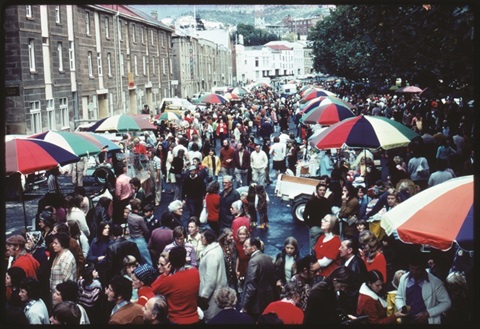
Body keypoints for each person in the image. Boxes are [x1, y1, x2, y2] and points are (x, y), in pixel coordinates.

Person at [395, 251, 452, 324]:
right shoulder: (403, 279)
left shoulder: (436, 282)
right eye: (412, 268)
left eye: (417, 269)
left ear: (423, 268)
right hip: (407, 320)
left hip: (427, 321)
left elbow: (447, 303)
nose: (414, 272)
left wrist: (428, 313)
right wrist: (402, 308)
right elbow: (399, 297)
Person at [151, 246, 202, 324]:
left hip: (177, 320)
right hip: (195, 319)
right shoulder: (195, 272)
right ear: (185, 259)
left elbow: (153, 289)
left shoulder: (170, 280)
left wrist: (165, 274)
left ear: (170, 263)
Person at [240, 237, 275, 321]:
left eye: (245, 246)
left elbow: (251, 287)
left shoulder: (253, 262)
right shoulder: (267, 257)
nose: (243, 248)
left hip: (255, 304)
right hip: (267, 299)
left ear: (253, 248)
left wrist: (245, 306)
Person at [198, 228, 228, 321]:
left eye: (202, 237)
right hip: (218, 291)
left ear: (208, 238)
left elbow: (211, 280)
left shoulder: (211, 255)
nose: (201, 239)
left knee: (211, 319)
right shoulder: (216, 248)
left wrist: (203, 297)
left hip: (211, 296)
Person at [339, 238, 368, 313]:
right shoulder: (345, 261)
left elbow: (356, 287)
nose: (339, 249)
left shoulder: (357, 264)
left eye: (342, 247)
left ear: (349, 250)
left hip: (352, 304)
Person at [310, 214, 341, 283]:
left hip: (327, 278)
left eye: (325, 221)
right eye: (322, 219)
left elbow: (324, 262)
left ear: (332, 225)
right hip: (318, 274)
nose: (322, 221)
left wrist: (309, 270)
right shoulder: (321, 238)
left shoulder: (336, 241)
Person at [49, 232, 77, 305]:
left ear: (63, 244)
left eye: (56, 243)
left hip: (62, 299)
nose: (53, 245)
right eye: (53, 243)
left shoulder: (66, 258)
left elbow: (68, 282)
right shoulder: (59, 254)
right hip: (56, 295)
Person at [303, 182, 332, 251]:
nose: (322, 192)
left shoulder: (327, 202)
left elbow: (329, 214)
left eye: (324, 190)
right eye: (320, 190)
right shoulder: (311, 201)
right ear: (317, 191)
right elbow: (305, 215)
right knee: (313, 248)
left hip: (325, 228)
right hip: (315, 228)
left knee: (323, 246)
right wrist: (310, 226)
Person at [127, 198, 153, 266]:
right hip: (139, 240)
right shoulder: (139, 219)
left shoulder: (129, 215)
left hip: (131, 238)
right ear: (138, 206)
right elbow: (146, 231)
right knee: (148, 261)